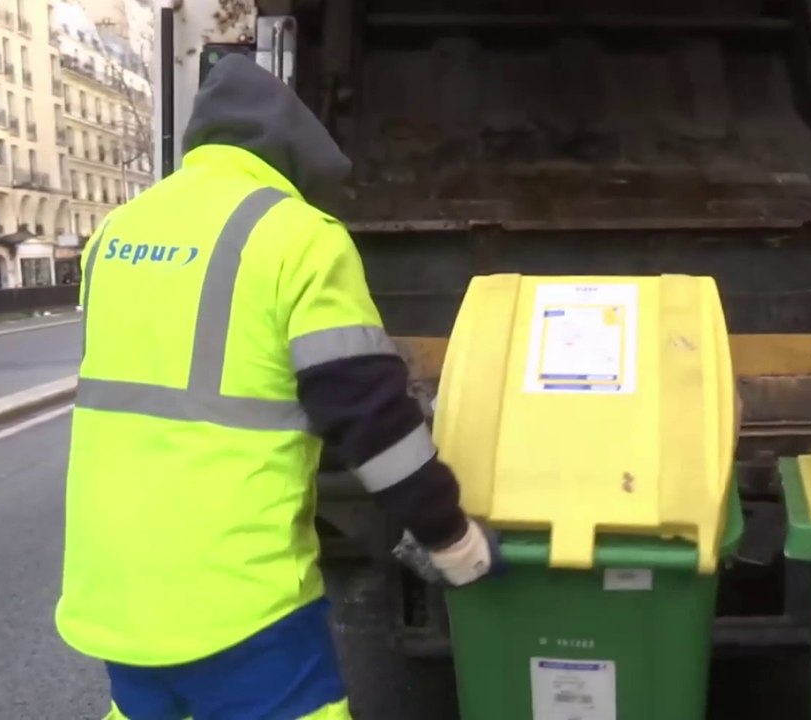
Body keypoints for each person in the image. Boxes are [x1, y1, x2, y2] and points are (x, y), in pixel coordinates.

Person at [55, 54, 500, 720]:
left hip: (114, 594)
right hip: (237, 601)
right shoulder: (299, 239)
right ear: (297, 156)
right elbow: (373, 423)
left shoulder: (116, 233)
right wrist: (454, 540)